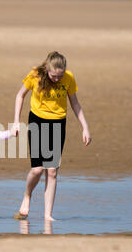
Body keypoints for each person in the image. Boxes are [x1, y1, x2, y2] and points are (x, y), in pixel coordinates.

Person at [12, 51, 92, 221]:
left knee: (52, 172)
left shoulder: (68, 78)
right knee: (37, 169)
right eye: (54, 76)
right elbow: (20, 95)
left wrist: (85, 127)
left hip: (58, 124)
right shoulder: (35, 75)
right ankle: (27, 196)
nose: (57, 79)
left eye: (60, 76)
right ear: (47, 69)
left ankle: (48, 215)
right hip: (37, 121)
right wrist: (16, 122)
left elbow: (75, 103)